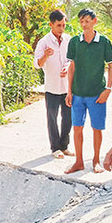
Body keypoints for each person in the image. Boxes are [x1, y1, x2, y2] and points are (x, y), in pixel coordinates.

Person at [64, 8, 112, 174]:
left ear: (95, 21)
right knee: (77, 128)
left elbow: (111, 65)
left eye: (87, 21)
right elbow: (72, 66)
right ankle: (78, 161)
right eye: (81, 21)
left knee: (96, 128)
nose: (84, 24)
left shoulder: (104, 42)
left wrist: (108, 89)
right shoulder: (74, 42)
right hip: (78, 94)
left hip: (97, 93)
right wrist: (69, 91)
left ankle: (96, 161)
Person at [33, 10, 74, 159]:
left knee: (68, 118)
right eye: (58, 25)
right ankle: (55, 148)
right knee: (52, 117)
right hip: (51, 87)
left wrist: (68, 66)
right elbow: (37, 64)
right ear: (51, 25)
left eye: (63, 25)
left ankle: (64, 146)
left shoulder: (69, 40)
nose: (62, 28)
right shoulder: (44, 42)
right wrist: (45, 55)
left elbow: (73, 59)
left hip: (67, 87)